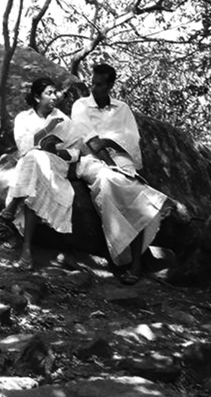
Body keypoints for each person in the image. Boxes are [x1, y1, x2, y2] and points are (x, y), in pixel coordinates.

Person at [71, 63, 173, 285]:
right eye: (93, 83)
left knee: (126, 191)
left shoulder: (122, 109)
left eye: (100, 84)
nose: (94, 88)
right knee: (111, 180)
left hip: (121, 159)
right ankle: (137, 258)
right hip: (92, 161)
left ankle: (135, 262)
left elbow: (131, 141)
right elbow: (92, 143)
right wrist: (111, 157)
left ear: (110, 86)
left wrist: (108, 141)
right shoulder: (81, 106)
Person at [0, 77, 85, 270]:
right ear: (37, 97)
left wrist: (56, 152)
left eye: (55, 93)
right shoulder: (23, 118)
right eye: (49, 93)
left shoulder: (64, 120)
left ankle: (13, 205)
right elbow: (23, 147)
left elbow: (75, 152)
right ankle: (27, 251)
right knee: (34, 166)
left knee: (35, 158)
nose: (54, 97)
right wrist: (47, 129)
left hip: (56, 164)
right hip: (32, 166)